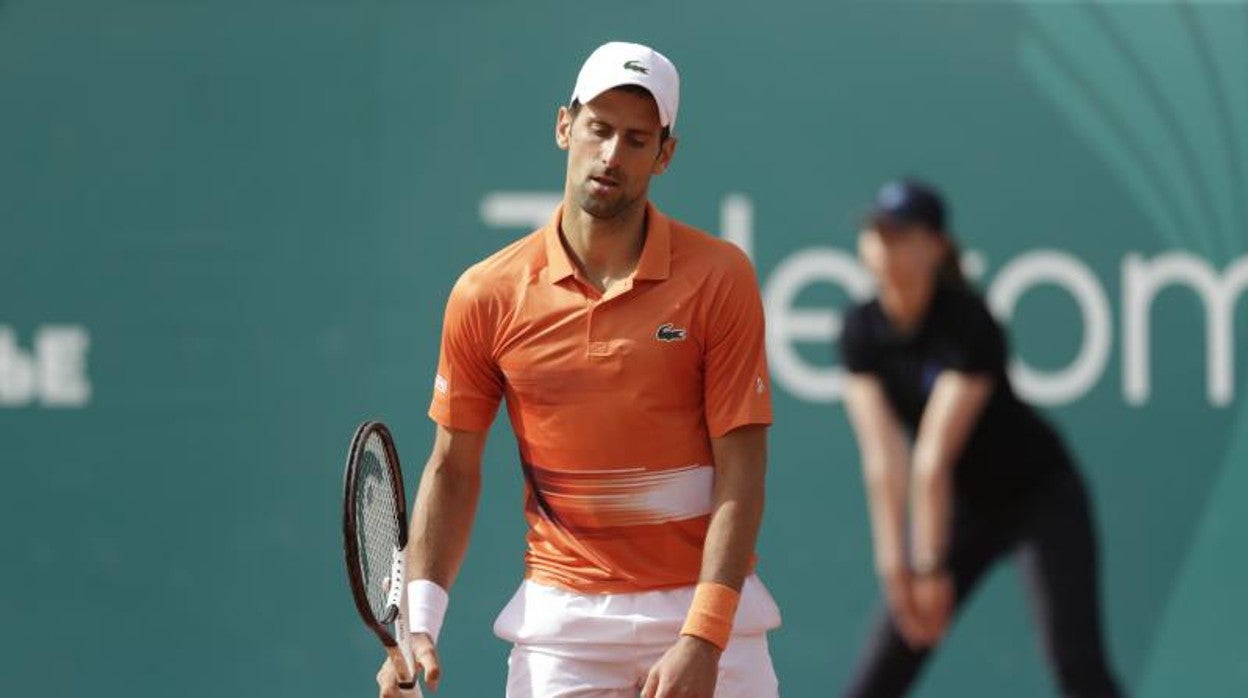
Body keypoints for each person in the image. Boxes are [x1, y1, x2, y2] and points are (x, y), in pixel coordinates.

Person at [376, 41, 781, 698]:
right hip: (562, 629)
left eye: (636, 138)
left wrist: (703, 639)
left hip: (706, 624)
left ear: (664, 154)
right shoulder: (487, 294)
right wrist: (417, 624)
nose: (612, 154)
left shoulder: (719, 277)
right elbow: (453, 467)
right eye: (599, 128)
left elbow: (743, 473)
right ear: (565, 125)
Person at [837, 180, 1124, 697]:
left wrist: (929, 567)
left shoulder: (968, 322)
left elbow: (932, 457)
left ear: (936, 246)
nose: (884, 244)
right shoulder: (860, 330)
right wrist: (895, 570)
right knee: (881, 671)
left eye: (900, 233)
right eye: (876, 232)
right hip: (963, 507)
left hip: (1040, 496)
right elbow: (883, 460)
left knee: (1075, 663)